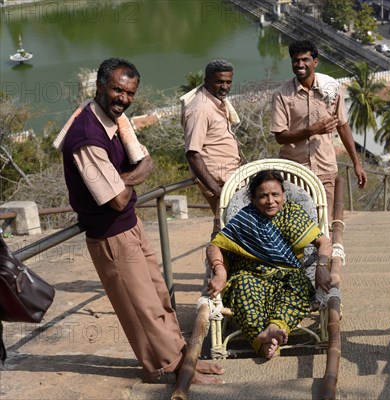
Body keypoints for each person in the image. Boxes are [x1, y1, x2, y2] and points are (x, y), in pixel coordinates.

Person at [60, 58, 224, 383]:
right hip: (110, 235)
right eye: (117, 90)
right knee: (142, 307)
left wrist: (126, 176)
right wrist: (133, 175)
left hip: (129, 223)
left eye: (129, 93)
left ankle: (180, 356)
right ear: (100, 86)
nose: (123, 98)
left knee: (159, 295)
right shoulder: (86, 136)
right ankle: (168, 367)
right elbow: (118, 196)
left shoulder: (114, 122)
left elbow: (146, 164)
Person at [205, 170, 333, 358]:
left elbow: (324, 242)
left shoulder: (293, 213)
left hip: (287, 276)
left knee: (299, 288)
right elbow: (215, 246)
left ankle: (274, 329)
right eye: (263, 196)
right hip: (251, 276)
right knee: (242, 287)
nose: (270, 201)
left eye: (275, 195)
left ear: (283, 194)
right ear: (254, 200)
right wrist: (220, 273)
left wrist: (322, 267)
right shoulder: (246, 218)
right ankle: (264, 341)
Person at [270, 40, 367, 218]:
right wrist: (312, 130)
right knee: (296, 222)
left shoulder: (332, 90)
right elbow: (280, 137)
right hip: (295, 171)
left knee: (325, 220)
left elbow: (343, 126)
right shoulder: (281, 95)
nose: (300, 65)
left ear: (315, 62)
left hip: (325, 169)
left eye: (305, 60)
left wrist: (356, 163)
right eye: (296, 60)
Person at [181, 59, 242, 236]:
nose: (224, 87)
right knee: (226, 230)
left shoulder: (216, 102)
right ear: (207, 81)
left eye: (228, 82)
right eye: (219, 81)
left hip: (229, 179)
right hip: (218, 182)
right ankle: (216, 262)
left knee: (233, 228)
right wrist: (217, 190)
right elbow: (192, 153)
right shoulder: (201, 109)